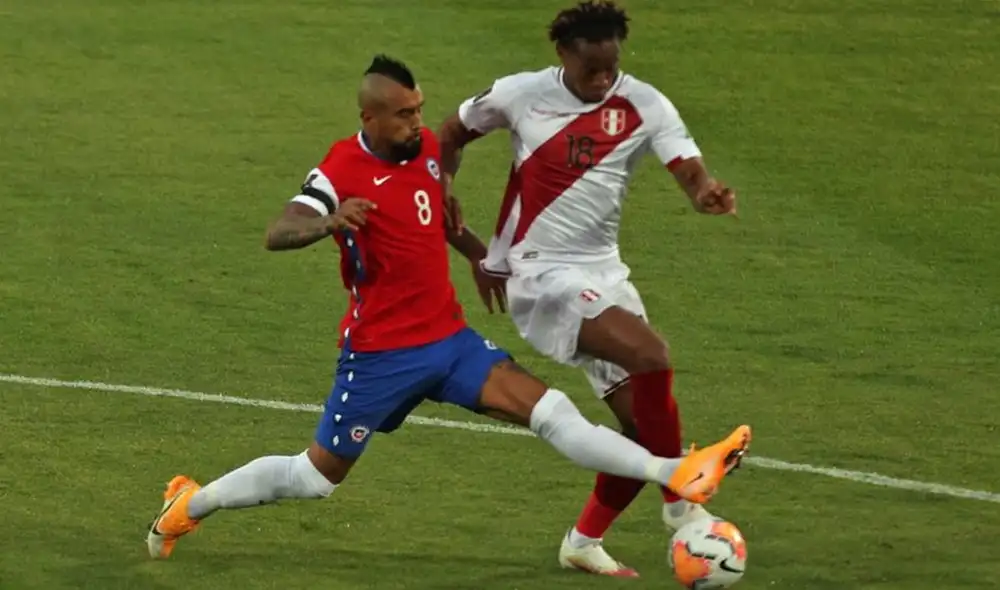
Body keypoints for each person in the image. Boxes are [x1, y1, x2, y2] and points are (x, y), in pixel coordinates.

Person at [145, 55, 751, 560]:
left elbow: (437, 216)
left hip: (449, 341)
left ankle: (673, 474)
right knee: (316, 478)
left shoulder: (427, 149)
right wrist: (330, 220)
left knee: (555, 412)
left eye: (419, 109)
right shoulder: (340, 167)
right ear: (370, 116)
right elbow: (279, 231)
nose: (418, 122)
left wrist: (480, 256)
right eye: (405, 114)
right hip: (381, 357)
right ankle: (191, 503)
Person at [436, 0, 741, 577]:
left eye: (610, 67)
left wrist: (703, 192)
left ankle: (581, 542)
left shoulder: (642, 103)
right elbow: (449, 132)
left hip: (605, 274)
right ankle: (680, 506)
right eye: (590, 70)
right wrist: (446, 182)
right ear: (562, 55)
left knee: (639, 432)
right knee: (652, 353)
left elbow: (688, 166)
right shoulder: (520, 94)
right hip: (539, 271)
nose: (602, 80)